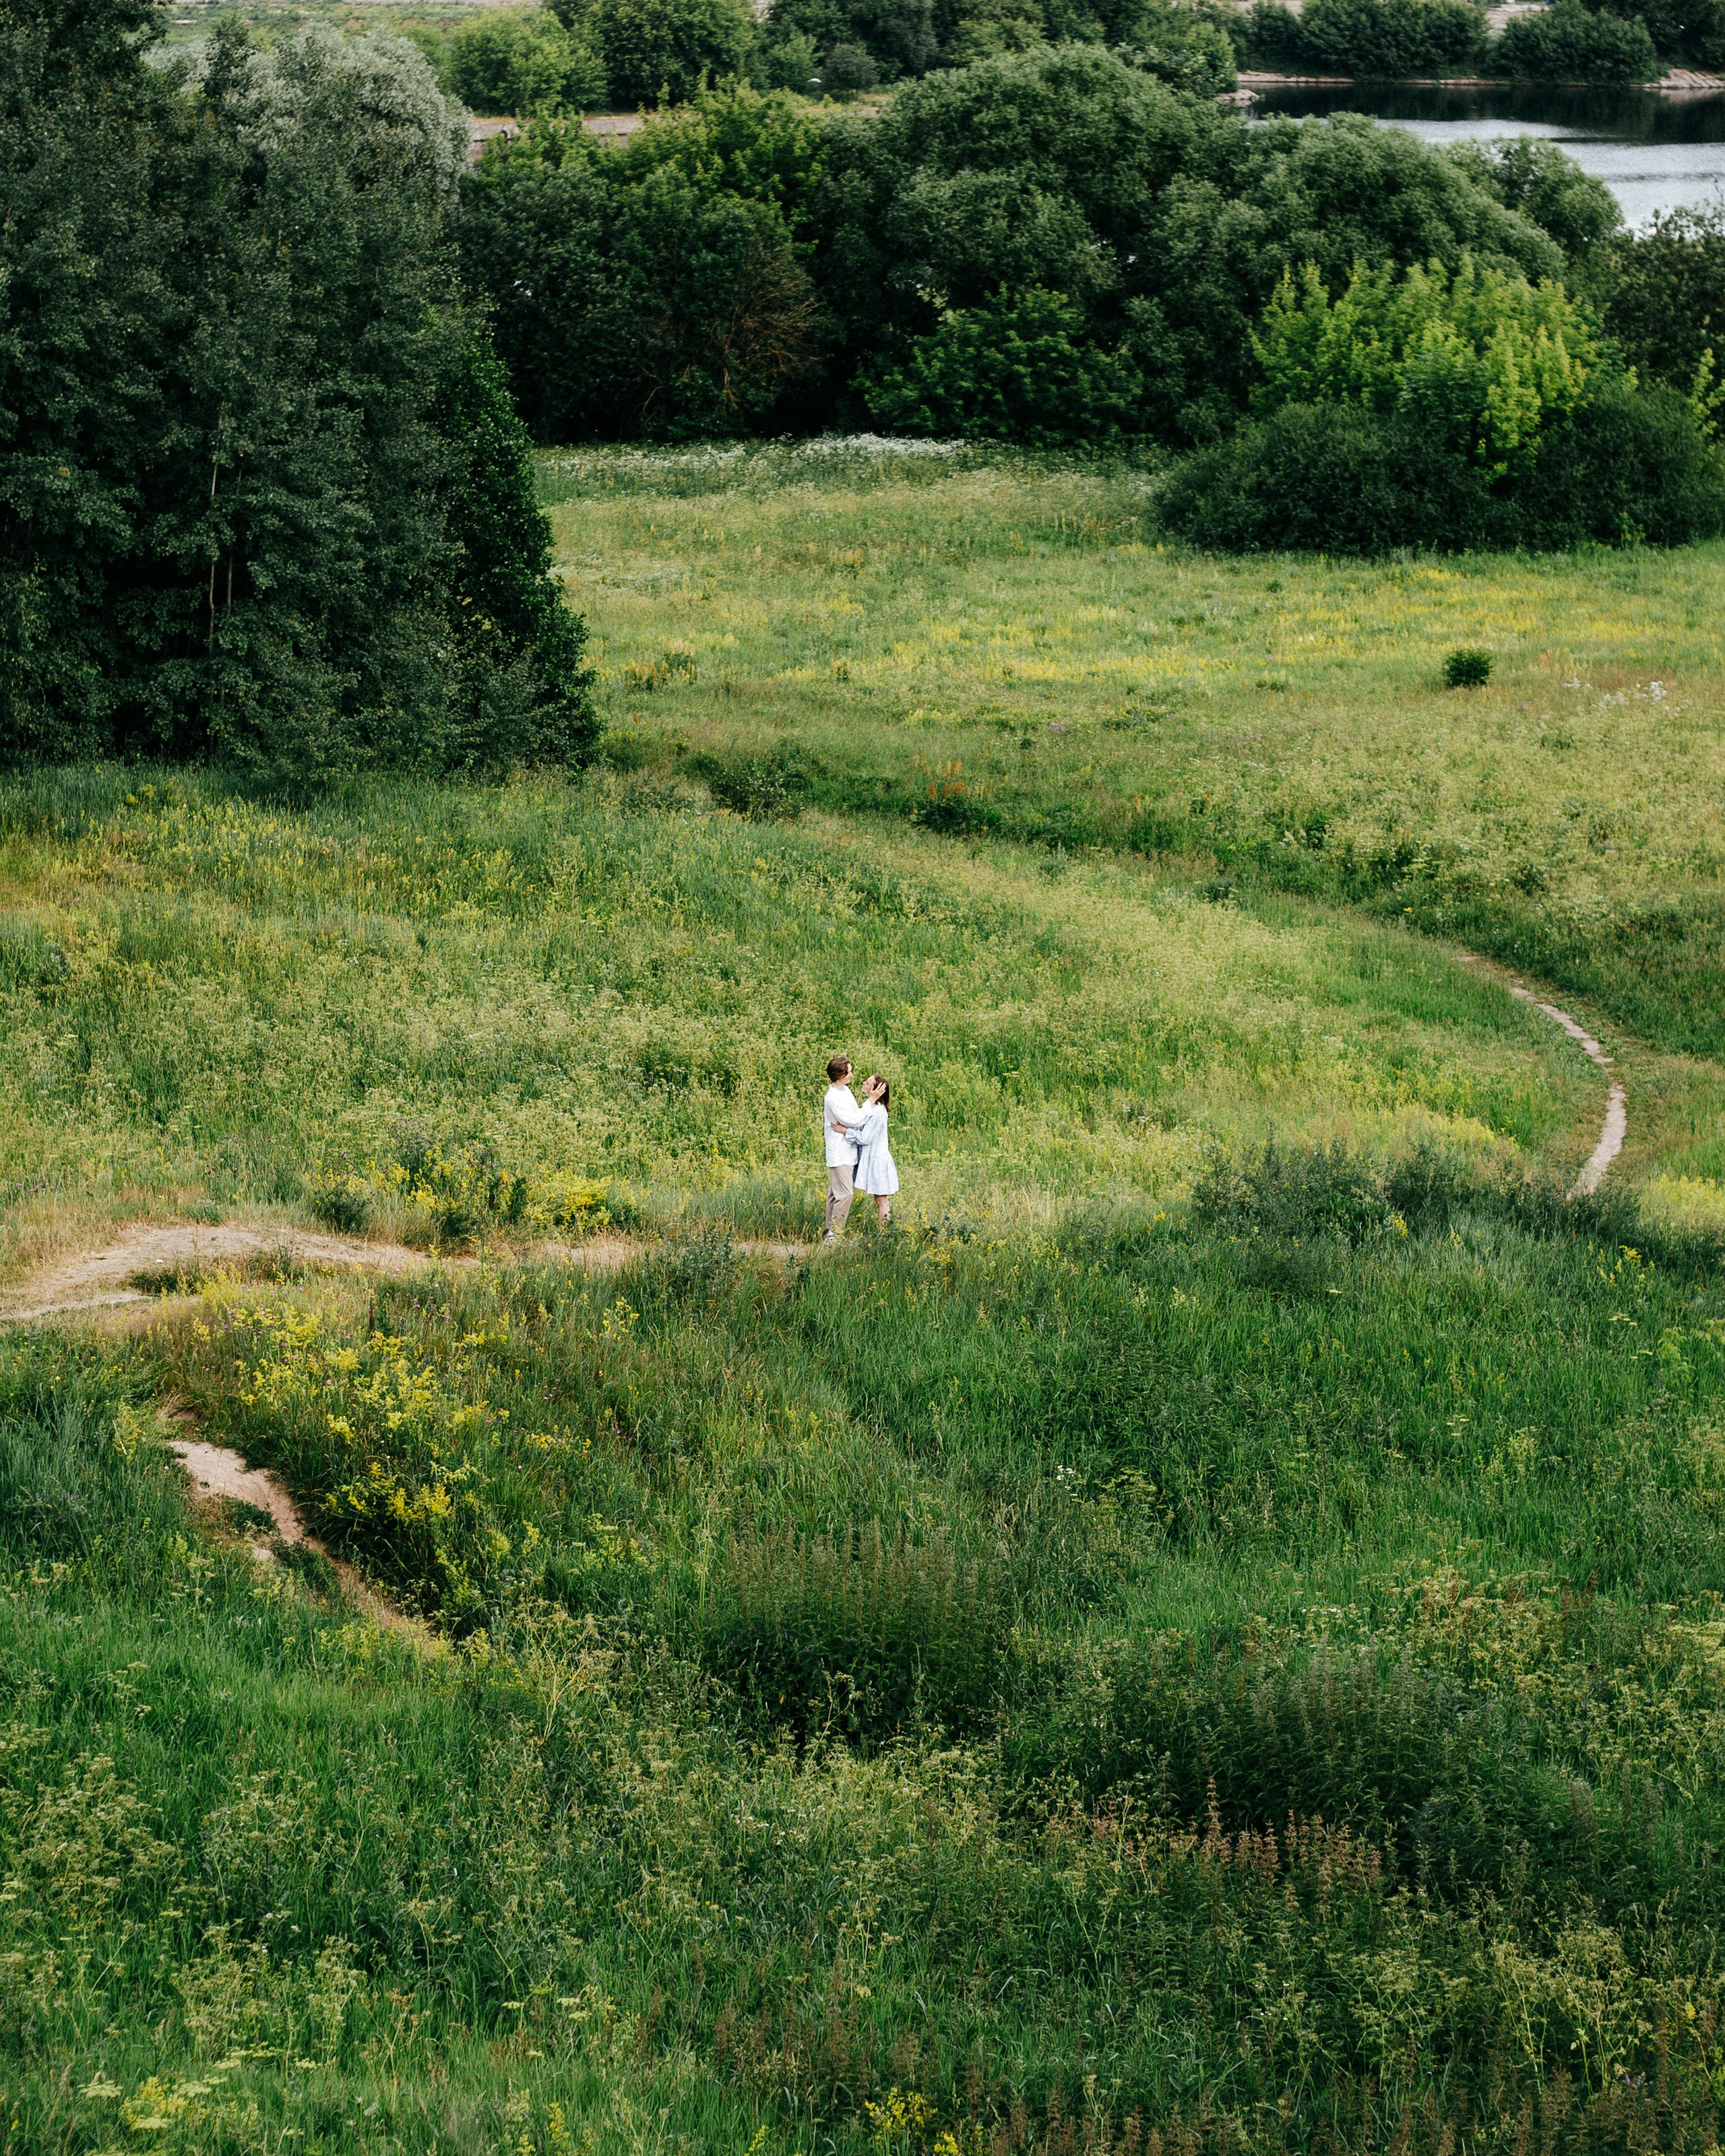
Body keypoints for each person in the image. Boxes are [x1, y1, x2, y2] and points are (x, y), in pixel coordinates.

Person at [821, 1054, 863, 1242]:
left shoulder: (845, 1091)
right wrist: (870, 1104)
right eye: (849, 1072)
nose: (851, 1075)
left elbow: (853, 1117)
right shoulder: (833, 1098)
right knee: (845, 1194)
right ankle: (835, 1236)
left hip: (847, 1150)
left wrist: (849, 1127)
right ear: (840, 1075)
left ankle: (829, 1232)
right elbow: (854, 1119)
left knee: (834, 1193)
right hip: (839, 1153)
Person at [847, 1075, 898, 1227]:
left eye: (868, 1083)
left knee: (881, 1199)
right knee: (879, 1199)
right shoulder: (872, 1108)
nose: (864, 1083)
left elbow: (865, 1138)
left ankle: (885, 1232)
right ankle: (884, 1231)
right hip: (873, 1158)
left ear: (876, 1089)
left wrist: (845, 1131)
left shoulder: (879, 1112)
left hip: (878, 1161)